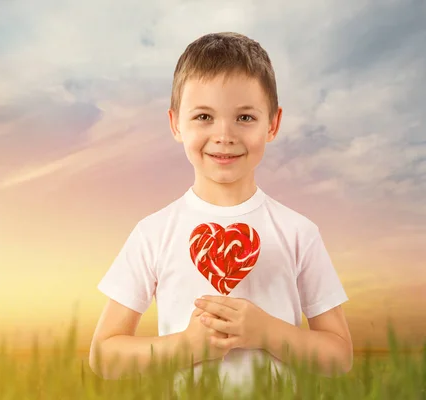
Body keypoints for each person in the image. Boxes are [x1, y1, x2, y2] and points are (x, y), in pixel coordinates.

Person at [88, 32, 353, 390]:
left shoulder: (297, 232)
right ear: (175, 124)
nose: (224, 134)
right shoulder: (153, 232)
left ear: (272, 124)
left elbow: (339, 355)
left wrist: (266, 332)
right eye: (203, 117)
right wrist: (187, 346)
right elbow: (105, 356)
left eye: (244, 117)